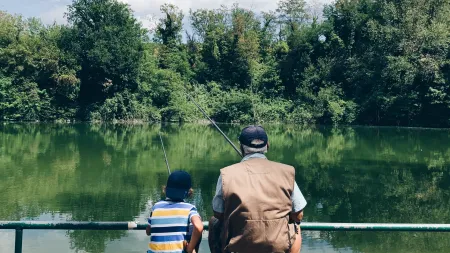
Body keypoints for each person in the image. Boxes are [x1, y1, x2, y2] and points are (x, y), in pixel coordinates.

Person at [209, 125, 307, 253]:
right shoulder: (286, 171)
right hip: (278, 246)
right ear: (268, 145)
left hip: (239, 246)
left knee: (213, 222)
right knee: (295, 226)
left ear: (241, 147)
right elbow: (298, 214)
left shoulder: (226, 174)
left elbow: (218, 213)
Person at [146, 170, 204, 253]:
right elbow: (198, 227)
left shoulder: (156, 207)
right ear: (189, 192)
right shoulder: (189, 208)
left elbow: (148, 232)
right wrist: (190, 248)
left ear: (165, 189)